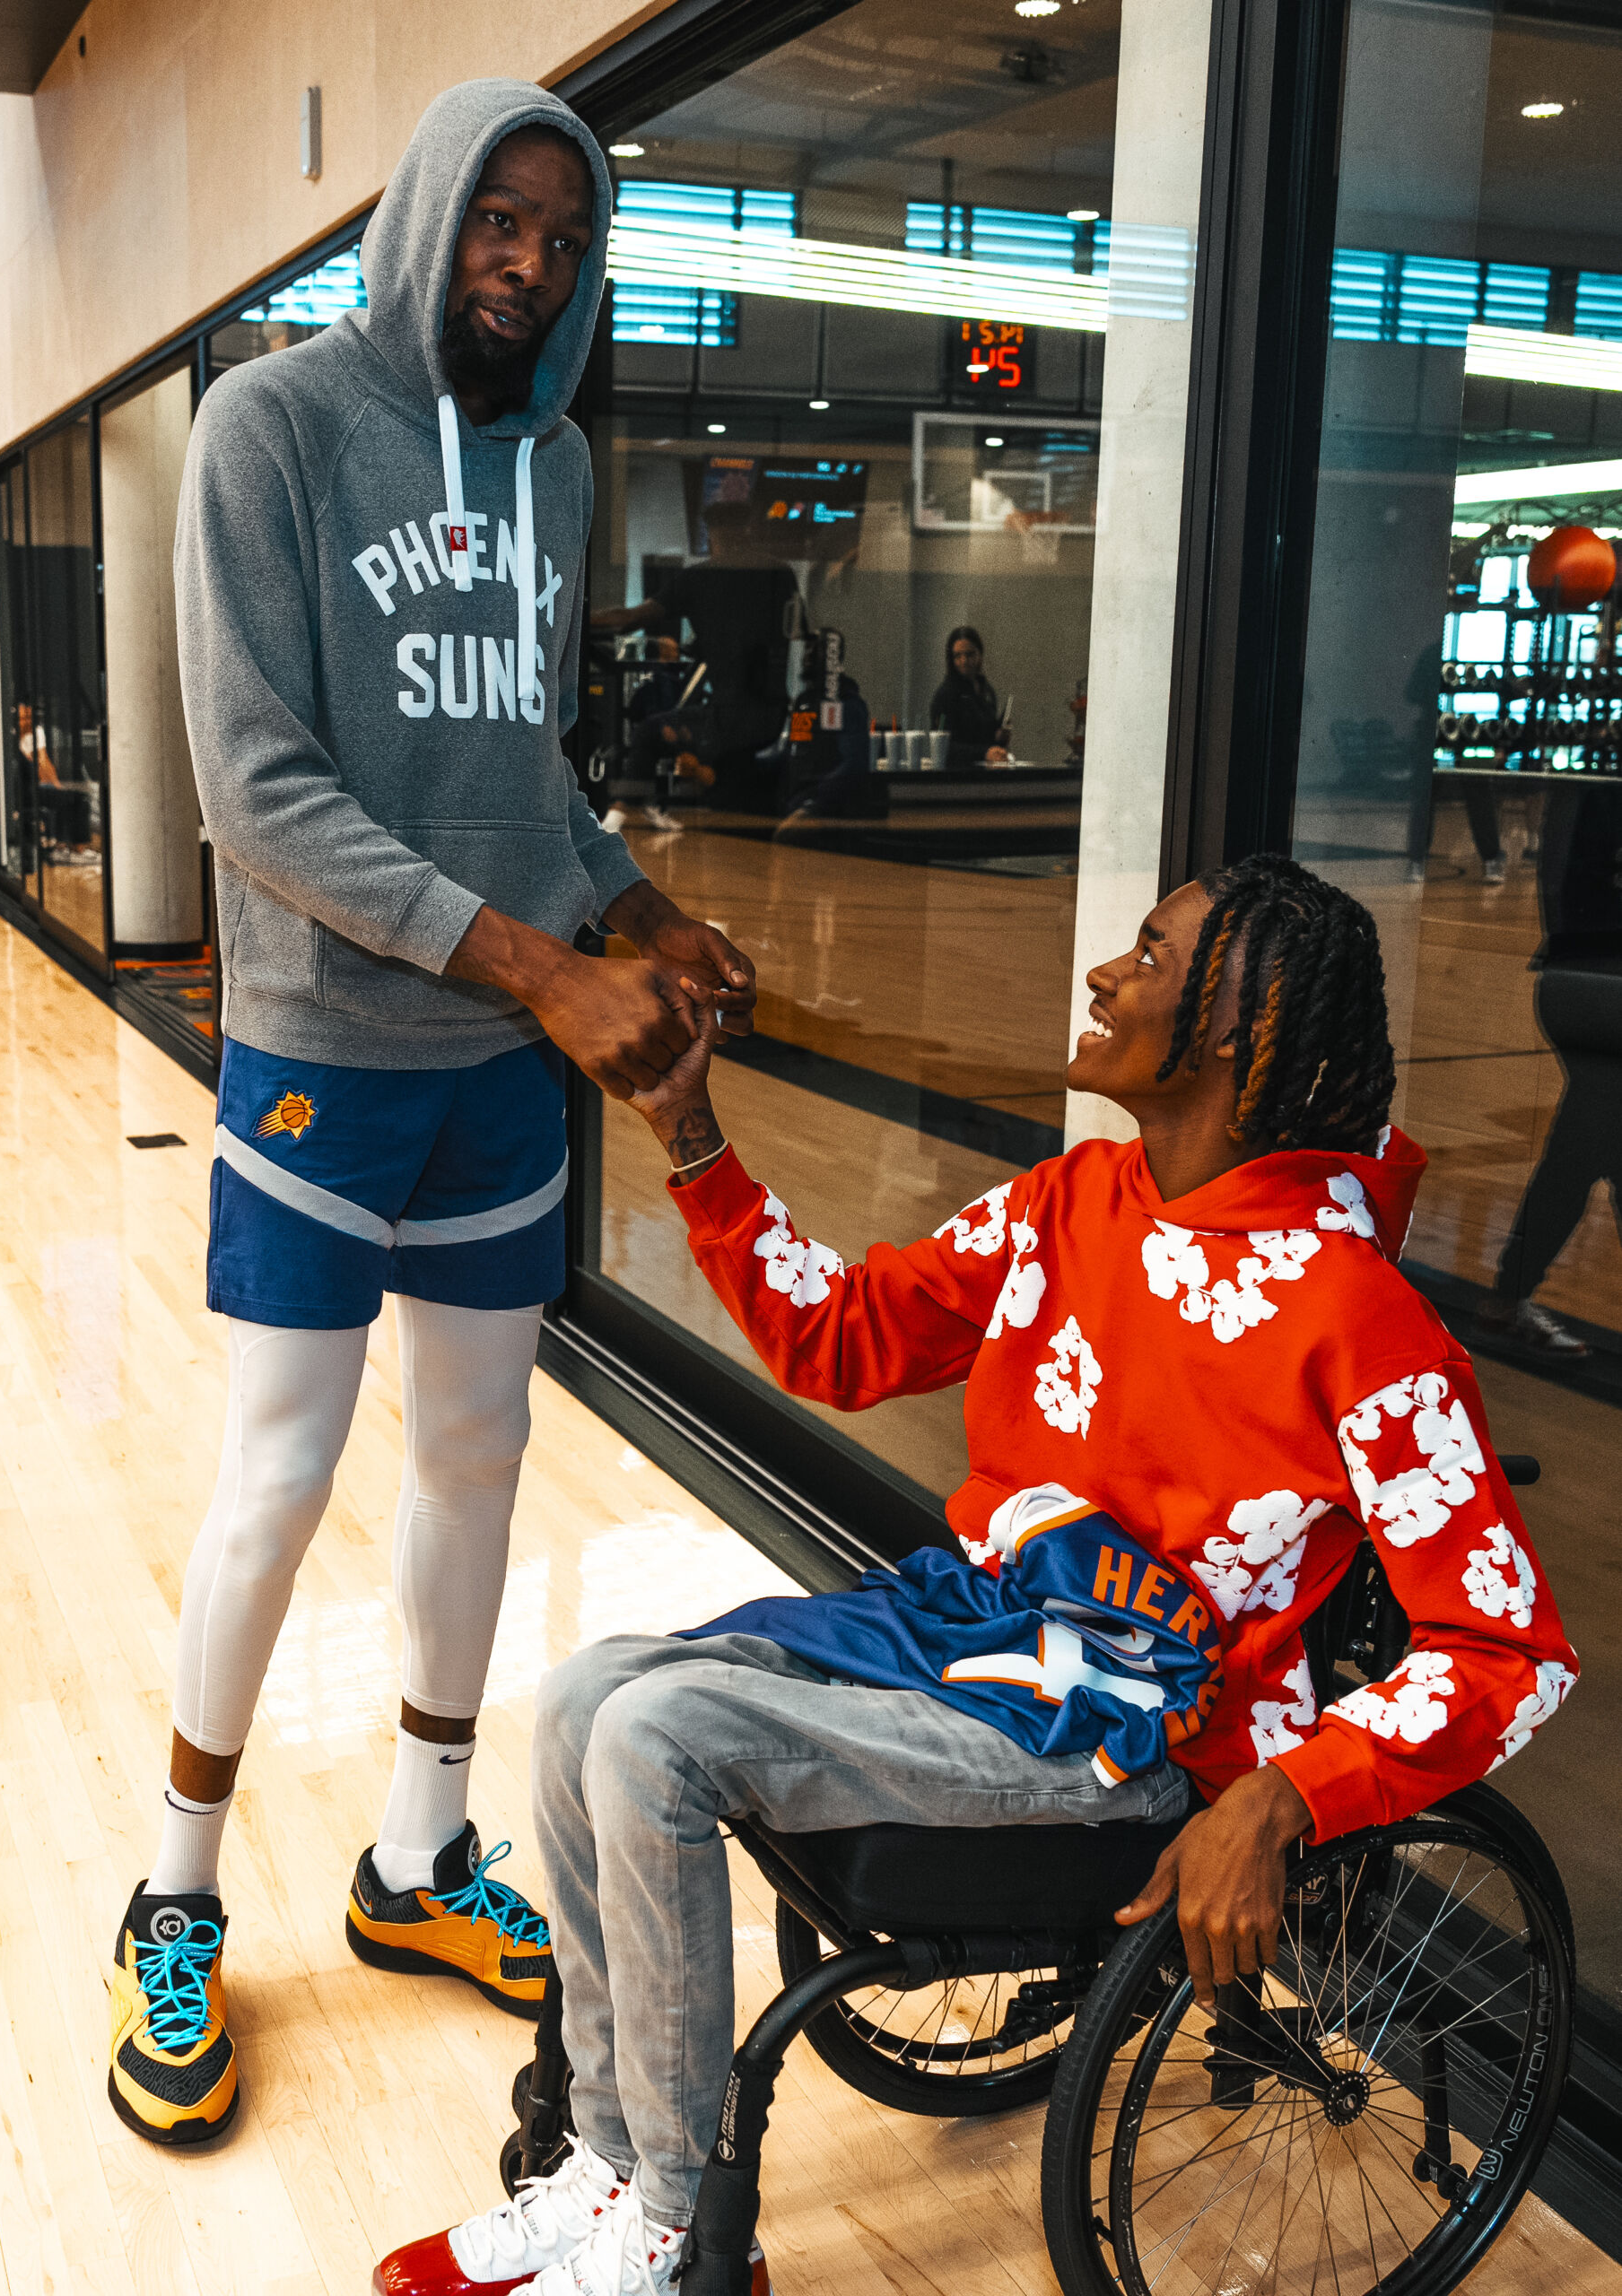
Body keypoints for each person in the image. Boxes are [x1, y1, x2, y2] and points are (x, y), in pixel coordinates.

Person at [376, 853, 1577, 2296]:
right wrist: (689, 1133)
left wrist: (1285, 1797)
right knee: (585, 1694)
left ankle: (687, 2237)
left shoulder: (1360, 1322)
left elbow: (1508, 1650)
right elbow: (839, 1338)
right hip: (979, 1637)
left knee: (655, 1736)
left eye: (1150, 955)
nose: (1104, 973)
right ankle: (612, 2170)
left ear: (1244, 1030)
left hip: (1134, 1735)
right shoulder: (1075, 1202)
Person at [105, 79, 756, 2151]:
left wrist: (628, 902)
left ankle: (418, 1851)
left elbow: (521, 769)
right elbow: (254, 787)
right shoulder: (271, 427)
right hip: (324, 1052)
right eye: (501, 218)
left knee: (478, 1454)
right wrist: (546, 967)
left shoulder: (552, 467)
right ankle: (173, 1894)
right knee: (280, 1472)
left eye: (565, 237)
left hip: (492, 1077)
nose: (531, 263)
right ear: (427, 212)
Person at [1478, 781, 1622, 1357]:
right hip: (1596, 989)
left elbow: (1558, 879)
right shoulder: (1595, 788)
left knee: (1591, 1149)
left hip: (1578, 981)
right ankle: (1506, 1297)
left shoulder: (1587, 786)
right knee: (1584, 1152)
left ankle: (1507, 1298)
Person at [591, 501, 798, 822]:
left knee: (649, 733)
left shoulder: (699, 578)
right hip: (771, 718)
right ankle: (670, 808)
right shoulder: (780, 574)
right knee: (724, 786)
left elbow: (628, 620)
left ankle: (619, 817)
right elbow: (793, 632)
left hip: (727, 720)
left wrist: (577, 618)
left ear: (711, 534)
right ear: (749, 530)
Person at [930, 623, 1008, 766]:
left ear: (980, 654)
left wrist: (999, 738)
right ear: (951, 659)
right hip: (957, 772)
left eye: (970, 654)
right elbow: (945, 746)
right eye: (958, 656)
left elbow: (984, 736)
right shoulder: (946, 694)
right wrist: (985, 752)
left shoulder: (986, 690)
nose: (964, 661)